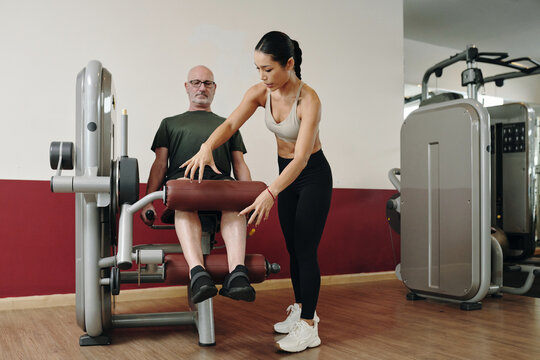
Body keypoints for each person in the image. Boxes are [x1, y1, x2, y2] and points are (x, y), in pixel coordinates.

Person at [182, 31, 333, 353]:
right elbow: (230, 125)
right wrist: (208, 145)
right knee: (294, 247)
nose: (263, 77)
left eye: (269, 69)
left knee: (306, 249)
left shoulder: (309, 100)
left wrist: (270, 192)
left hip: (313, 176)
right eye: (258, 69)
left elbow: (303, 157)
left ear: (289, 64)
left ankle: (309, 325)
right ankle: (300, 308)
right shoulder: (262, 93)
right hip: (287, 177)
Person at [140, 65, 256, 305]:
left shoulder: (228, 125)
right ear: (186, 87)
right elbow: (159, 165)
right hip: (184, 187)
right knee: (184, 200)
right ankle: (198, 274)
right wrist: (148, 200)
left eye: (207, 83)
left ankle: (238, 274)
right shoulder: (170, 124)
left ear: (215, 88)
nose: (201, 87)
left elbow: (239, 164)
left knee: (233, 204)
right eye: (195, 82)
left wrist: (251, 197)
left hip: (221, 186)